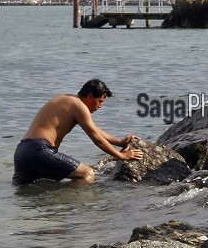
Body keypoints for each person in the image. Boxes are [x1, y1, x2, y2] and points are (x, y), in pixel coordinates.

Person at [12, 78, 143, 185]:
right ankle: (66, 207)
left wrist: (119, 142)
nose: (100, 106)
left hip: (22, 152)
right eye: (99, 101)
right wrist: (121, 156)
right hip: (39, 150)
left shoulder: (65, 99)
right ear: (90, 96)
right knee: (87, 174)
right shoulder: (79, 105)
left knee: (25, 191)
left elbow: (95, 130)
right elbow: (97, 139)